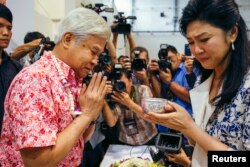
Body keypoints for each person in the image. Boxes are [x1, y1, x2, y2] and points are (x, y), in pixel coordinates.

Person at [0, 7, 111, 166]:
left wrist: (90, 114)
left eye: (99, 55)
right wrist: (87, 115)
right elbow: (38, 163)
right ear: (67, 40)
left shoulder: (70, 79)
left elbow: (77, 142)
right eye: (94, 52)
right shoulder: (35, 80)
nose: (95, 61)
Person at [144, 0, 250, 166]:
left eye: (204, 39)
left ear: (233, 33)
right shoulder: (204, 79)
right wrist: (180, 122)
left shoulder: (246, 86)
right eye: (191, 42)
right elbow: (201, 143)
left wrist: (189, 127)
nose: (196, 50)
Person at [0, 4, 22, 134]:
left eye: (9, 28)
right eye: (0, 26)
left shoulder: (15, 67)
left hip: (9, 145)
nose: (6, 32)